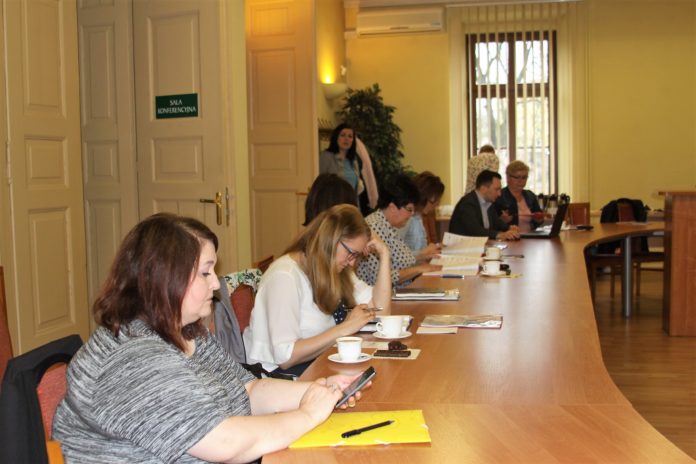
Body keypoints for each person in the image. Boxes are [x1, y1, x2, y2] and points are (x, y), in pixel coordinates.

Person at [52, 213, 367, 463]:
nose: (216, 284)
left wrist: (317, 390)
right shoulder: (134, 359)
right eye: (205, 272)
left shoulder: (186, 332)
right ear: (165, 277)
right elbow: (226, 443)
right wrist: (308, 413)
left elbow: (249, 389)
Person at [244, 204, 392, 375]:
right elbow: (285, 357)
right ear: (332, 240)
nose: (352, 262)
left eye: (356, 255)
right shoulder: (284, 276)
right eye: (351, 253)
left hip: (315, 363)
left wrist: (384, 254)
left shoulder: (333, 268)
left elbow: (381, 312)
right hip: (279, 375)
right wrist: (345, 328)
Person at [357, 174, 442, 287]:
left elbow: (398, 262)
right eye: (409, 209)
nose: (412, 214)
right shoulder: (374, 228)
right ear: (392, 207)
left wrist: (420, 258)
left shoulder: (387, 225)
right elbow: (379, 278)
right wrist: (419, 269)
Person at [319, 123, 379, 211]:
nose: (346, 139)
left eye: (350, 136)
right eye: (343, 135)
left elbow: (355, 191)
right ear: (336, 137)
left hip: (351, 207)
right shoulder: (326, 156)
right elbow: (320, 185)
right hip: (332, 207)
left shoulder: (354, 160)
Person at [449, 170, 520, 240]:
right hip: (462, 246)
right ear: (483, 189)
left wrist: (509, 228)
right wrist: (500, 235)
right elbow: (475, 231)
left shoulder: (489, 202)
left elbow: (496, 222)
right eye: (497, 189)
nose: (499, 194)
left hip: (480, 245)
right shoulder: (467, 204)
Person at [399, 171, 445, 260]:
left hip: (419, 265)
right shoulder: (405, 218)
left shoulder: (418, 217)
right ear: (423, 197)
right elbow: (395, 256)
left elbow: (423, 247)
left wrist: (435, 248)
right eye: (434, 202)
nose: (436, 205)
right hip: (409, 267)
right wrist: (423, 253)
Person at [494, 160, 545, 233]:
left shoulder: (530, 196)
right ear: (508, 177)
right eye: (517, 177)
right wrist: (501, 221)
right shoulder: (498, 196)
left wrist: (539, 219)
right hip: (509, 237)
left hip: (531, 237)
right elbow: (491, 224)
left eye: (524, 177)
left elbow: (539, 222)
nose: (521, 181)